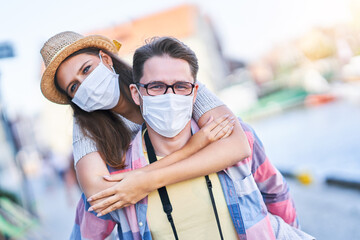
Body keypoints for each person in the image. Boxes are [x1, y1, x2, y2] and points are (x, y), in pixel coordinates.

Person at [71, 37, 315, 239]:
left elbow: (276, 193)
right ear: (137, 93)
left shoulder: (234, 135)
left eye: (180, 86)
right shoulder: (118, 179)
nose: (170, 96)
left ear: (195, 91)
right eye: (156, 86)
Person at [40, 30, 252, 214]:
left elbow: (237, 145)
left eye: (86, 70)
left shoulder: (162, 77)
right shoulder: (84, 125)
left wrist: (145, 182)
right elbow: (98, 194)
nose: (85, 84)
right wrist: (194, 147)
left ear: (106, 59)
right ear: (75, 100)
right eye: (74, 87)